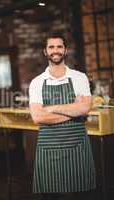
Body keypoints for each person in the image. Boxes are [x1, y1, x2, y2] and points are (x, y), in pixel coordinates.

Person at [29, 32, 96, 200]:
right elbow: (38, 117)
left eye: (59, 46)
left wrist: (52, 108)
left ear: (65, 50)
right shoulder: (37, 82)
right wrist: (74, 109)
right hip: (49, 148)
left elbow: (85, 108)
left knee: (83, 195)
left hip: (78, 147)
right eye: (51, 47)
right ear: (45, 51)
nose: (55, 50)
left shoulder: (79, 77)